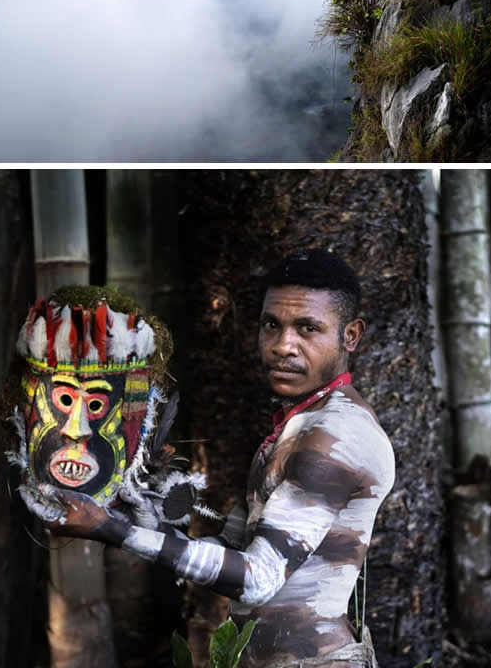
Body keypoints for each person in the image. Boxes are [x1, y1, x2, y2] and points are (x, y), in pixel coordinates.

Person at [21, 249, 396, 668]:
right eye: (272, 325)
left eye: (307, 328)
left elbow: (256, 578)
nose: (283, 346)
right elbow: (234, 553)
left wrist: (111, 530)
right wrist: (135, 517)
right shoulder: (304, 424)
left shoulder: (334, 435)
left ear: (350, 335)